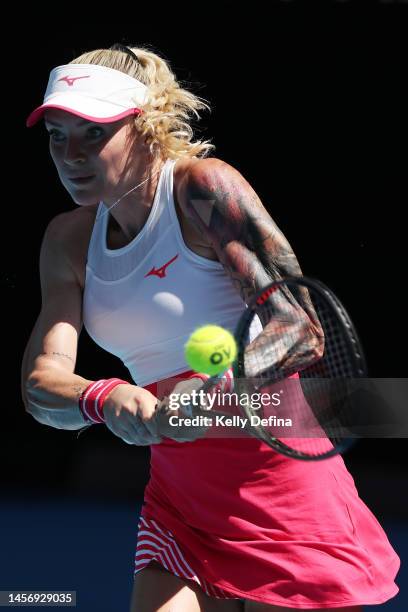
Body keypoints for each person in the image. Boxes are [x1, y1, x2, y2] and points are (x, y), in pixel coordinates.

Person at [22, 44, 400, 612]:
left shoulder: (203, 190)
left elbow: (301, 327)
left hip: (282, 486)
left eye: (92, 134)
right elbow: (40, 387)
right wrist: (105, 397)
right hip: (180, 503)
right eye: (57, 135)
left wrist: (212, 391)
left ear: (144, 124)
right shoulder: (66, 241)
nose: (70, 154)